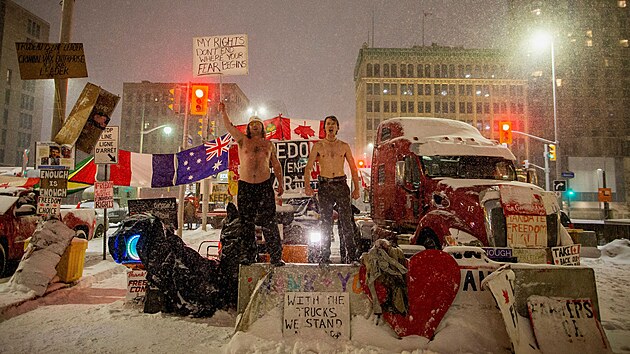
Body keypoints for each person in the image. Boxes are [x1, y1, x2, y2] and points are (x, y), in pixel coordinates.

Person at [219, 102, 285, 266]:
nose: (255, 127)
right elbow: (229, 127)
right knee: (246, 223)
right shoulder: (242, 140)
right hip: (246, 186)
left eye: (258, 124)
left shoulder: (268, 144)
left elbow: (276, 165)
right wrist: (223, 111)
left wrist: (281, 183)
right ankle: (249, 255)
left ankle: (275, 256)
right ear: (248, 128)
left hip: (264, 186)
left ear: (262, 128)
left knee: (269, 222)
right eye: (252, 124)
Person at [304, 115, 360, 265]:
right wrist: (307, 185)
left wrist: (357, 188)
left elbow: (353, 168)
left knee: (347, 222)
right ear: (324, 128)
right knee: (325, 222)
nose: (331, 126)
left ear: (337, 128)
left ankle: (352, 256)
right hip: (325, 185)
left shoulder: (344, 146)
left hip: (341, 184)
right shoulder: (319, 146)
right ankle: (324, 256)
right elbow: (309, 167)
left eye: (333, 124)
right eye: (328, 124)